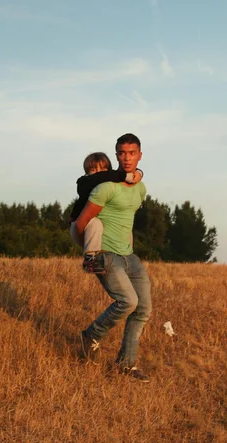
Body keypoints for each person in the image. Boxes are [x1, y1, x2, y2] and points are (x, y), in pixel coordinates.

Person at [73, 133, 152, 382]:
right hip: (106, 255)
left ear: (140, 154)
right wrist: (90, 252)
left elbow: (127, 219)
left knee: (143, 309)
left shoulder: (140, 188)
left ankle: (125, 365)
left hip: (128, 255)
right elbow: (82, 223)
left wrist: (127, 247)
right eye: (121, 153)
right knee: (128, 301)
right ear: (116, 155)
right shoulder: (105, 187)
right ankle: (91, 336)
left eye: (131, 153)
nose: (126, 158)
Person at [69, 152, 143, 274]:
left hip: (99, 234)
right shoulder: (83, 182)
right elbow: (99, 178)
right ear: (86, 171)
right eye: (94, 169)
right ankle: (89, 260)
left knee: (124, 225)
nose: (99, 172)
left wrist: (138, 173)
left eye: (103, 169)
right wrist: (127, 175)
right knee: (95, 223)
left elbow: (112, 176)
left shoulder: (112, 181)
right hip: (79, 227)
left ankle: (127, 256)